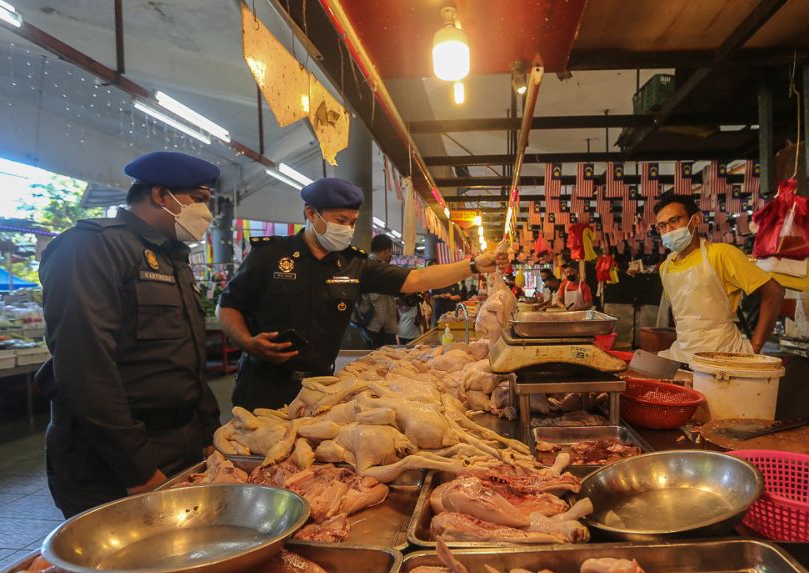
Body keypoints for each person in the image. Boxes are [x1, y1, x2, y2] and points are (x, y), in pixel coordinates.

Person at [217, 177, 508, 410]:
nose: (347, 229)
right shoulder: (269, 255)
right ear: (310, 213)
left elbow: (417, 278)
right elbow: (228, 305)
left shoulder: (354, 263)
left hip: (319, 388)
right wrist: (247, 341)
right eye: (340, 220)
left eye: (352, 223)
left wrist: (473, 265)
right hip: (263, 384)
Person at [37, 151, 221, 517]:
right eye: (198, 199)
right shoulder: (90, 247)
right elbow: (84, 367)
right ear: (160, 196)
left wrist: (208, 434)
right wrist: (136, 466)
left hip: (178, 442)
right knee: (125, 565)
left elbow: (187, 358)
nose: (206, 212)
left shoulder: (173, 257)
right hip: (110, 455)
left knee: (179, 561)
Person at [654, 193, 784, 363]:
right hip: (683, 355)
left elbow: (774, 291)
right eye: (662, 226)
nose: (668, 230)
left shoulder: (722, 254)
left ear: (695, 219)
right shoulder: (666, 267)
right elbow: (682, 317)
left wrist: (756, 345)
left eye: (674, 221)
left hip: (724, 355)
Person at [361, 234, 399, 348]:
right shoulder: (380, 269)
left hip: (369, 325)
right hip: (379, 327)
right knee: (383, 361)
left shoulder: (364, 265)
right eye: (390, 251)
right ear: (386, 251)